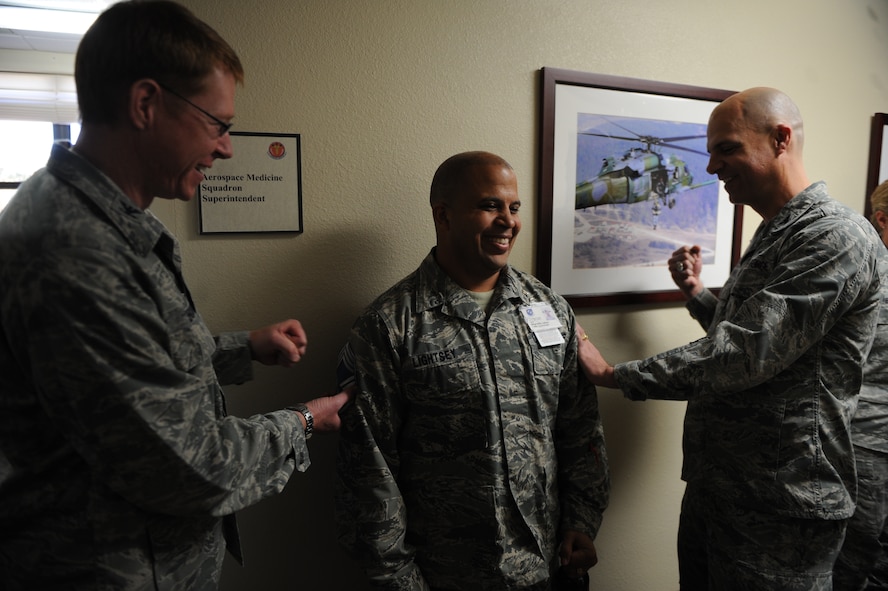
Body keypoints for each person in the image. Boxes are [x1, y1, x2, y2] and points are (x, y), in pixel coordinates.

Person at [0, 2, 350, 590]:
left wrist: (242, 349)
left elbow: (128, 374)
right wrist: (304, 422)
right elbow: (192, 466)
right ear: (145, 104)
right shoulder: (75, 248)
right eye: (218, 124)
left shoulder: (102, 222)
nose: (226, 148)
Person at [576, 87, 885, 590]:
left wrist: (618, 375)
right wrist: (697, 291)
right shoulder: (778, 231)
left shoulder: (834, 236)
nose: (713, 167)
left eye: (728, 149)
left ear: (780, 139)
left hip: (782, 505)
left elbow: (748, 352)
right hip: (723, 488)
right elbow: (757, 335)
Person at [334, 151, 609, 591]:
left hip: (549, 562)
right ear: (443, 216)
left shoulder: (549, 309)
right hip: (445, 576)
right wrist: (399, 579)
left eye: (514, 207)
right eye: (489, 206)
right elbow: (368, 469)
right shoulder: (389, 325)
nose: (508, 221)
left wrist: (583, 519)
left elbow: (580, 429)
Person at [833, 179, 888, 590]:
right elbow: (775, 347)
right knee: (851, 562)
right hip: (864, 446)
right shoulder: (862, 275)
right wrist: (698, 295)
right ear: (883, 220)